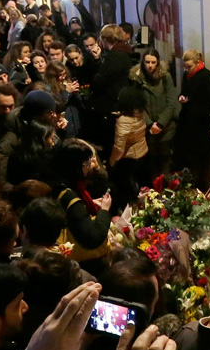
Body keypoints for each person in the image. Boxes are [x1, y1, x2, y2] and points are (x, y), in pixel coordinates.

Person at [47, 138, 111, 270]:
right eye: (86, 164)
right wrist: (104, 211)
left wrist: (88, 203)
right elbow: (93, 238)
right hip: (83, 264)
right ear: (76, 167)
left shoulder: (56, 183)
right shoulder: (70, 196)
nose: (90, 167)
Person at [172, 49, 210, 188]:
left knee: (198, 160)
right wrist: (181, 97)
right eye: (185, 67)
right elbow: (184, 91)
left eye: (189, 66)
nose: (186, 69)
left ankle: (198, 187)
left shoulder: (207, 76)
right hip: (187, 121)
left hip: (199, 124)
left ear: (198, 63)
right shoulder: (187, 75)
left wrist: (190, 102)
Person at [130, 49, 179, 174]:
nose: (150, 65)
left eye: (153, 62)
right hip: (147, 127)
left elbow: (171, 102)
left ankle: (165, 189)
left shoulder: (165, 77)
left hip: (165, 127)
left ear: (157, 63)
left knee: (165, 160)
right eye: (147, 62)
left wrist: (161, 123)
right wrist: (150, 124)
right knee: (151, 161)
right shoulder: (137, 78)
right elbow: (137, 105)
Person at [109, 84, 150, 211]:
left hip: (129, 158)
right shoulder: (140, 113)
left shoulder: (123, 120)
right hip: (142, 153)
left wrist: (111, 162)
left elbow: (119, 148)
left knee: (126, 188)